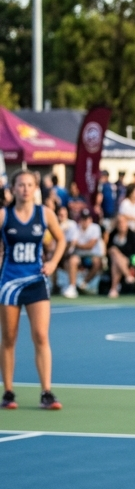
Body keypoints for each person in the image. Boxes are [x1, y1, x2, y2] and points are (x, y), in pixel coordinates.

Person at [0, 170, 66, 410]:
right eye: (21, 185)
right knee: (9, 338)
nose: (25, 189)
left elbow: (61, 239)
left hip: (36, 281)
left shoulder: (44, 214)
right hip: (9, 283)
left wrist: (54, 262)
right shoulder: (4, 216)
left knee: (40, 335)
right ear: (13, 188)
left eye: (29, 185)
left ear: (35, 188)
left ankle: (46, 392)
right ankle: (8, 391)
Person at [61, 208, 104, 297]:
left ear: (90, 220)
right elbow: (73, 242)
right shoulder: (75, 228)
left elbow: (90, 245)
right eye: (83, 219)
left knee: (97, 262)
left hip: (92, 255)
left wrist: (78, 245)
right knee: (72, 260)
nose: (85, 221)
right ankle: (72, 287)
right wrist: (75, 244)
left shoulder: (95, 228)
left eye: (87, 219)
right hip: (79, 255)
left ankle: (84, 283)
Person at [106, 213, 135, 298]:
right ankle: (127, 275)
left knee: (116, 258)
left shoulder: (133, 235)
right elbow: (108, 249)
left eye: (122, 222)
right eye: (119, 222)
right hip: (113, 261)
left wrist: (125, 258)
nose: (121, 224)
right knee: (114, 253)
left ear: (126, 223)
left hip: (129, 260)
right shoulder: (112, 234)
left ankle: (114, 288)